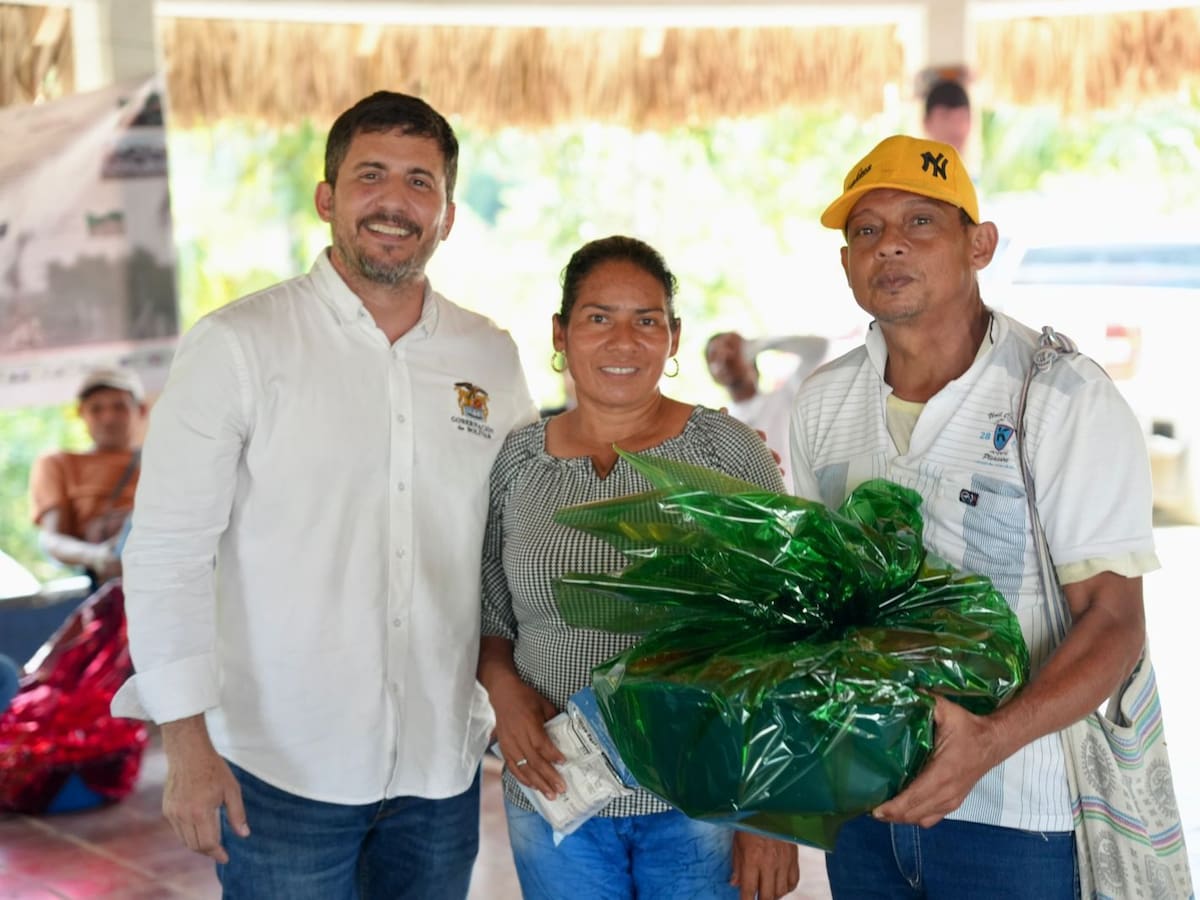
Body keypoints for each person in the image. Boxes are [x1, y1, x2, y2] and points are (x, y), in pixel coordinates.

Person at [110, 91, 537, 899]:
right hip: (280, 770)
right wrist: (186, 744)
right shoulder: (238, 345)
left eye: (421, 182)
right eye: (370, 174)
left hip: (439, 767)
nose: (395, 201)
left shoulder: (489, 354)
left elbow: (522, 525)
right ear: (328, 198)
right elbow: (166, 552)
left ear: (447, 215)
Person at [790, 134, 1157, 897]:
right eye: (865, 231)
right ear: (847, 263)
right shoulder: (824, 401)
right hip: (864, 798)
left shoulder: (1058, 397)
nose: (889, 244)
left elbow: (1115, 624)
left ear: (979, 244)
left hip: (1018, 816)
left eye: (920, 222)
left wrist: (986, 742)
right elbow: (813, 603)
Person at [478, 235, 801, 900]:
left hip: (702, 797)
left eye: (646, 320)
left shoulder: (727, 454)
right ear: (561, 334)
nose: (623, 342)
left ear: (673, 337)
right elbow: (488, 615)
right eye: (598, 318)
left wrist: (773, 812)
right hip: (554, 790)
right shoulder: (516, 463)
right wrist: (504, 696)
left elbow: (787, 634)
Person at [29, 368, 146, 587]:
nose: (109, 418)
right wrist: (97, 556)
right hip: (108, 581)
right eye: (96, 409)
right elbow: (51, 539)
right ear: (81, 413)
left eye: (119, 407)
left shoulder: (163, 462)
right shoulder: (57, 463)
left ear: (141, 410)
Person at [705, 331, 828, 492]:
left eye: (732, 348)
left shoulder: (786, 396)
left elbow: (819, 347)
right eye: (714, 355)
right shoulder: (720, 423)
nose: (724, 357)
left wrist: (760, 344)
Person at [921, 79, 972, 156]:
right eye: (945, 116)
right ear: (926, 122)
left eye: (961, 117)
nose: (955, 125)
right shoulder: (907, 166)